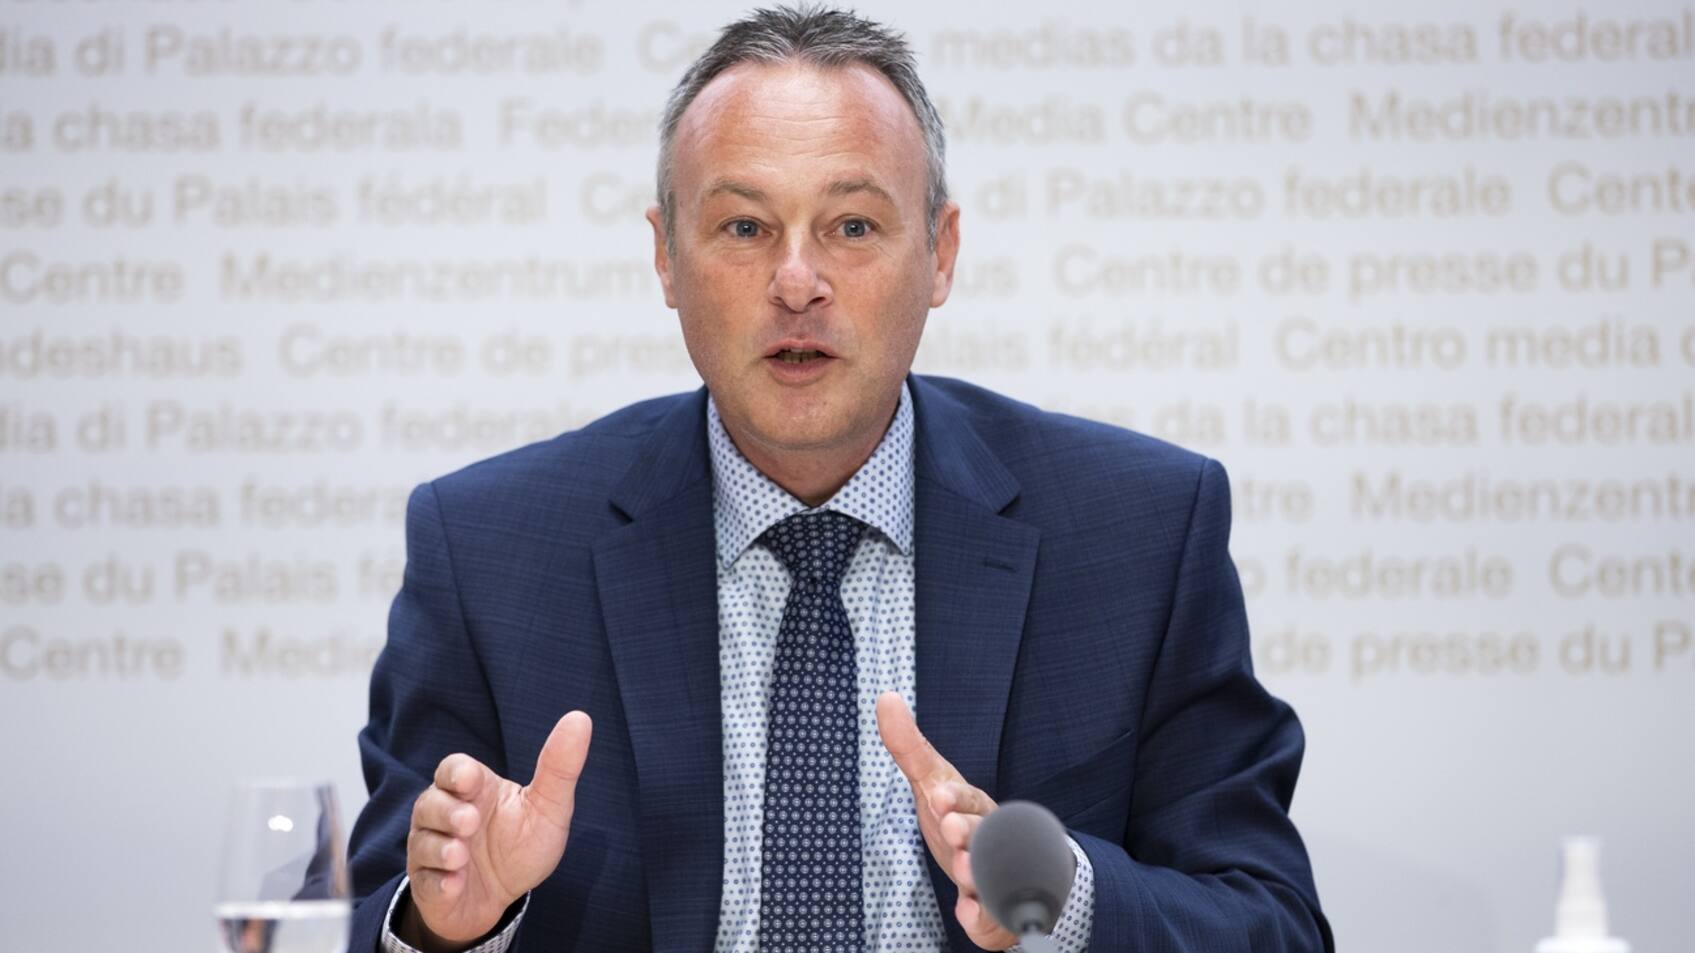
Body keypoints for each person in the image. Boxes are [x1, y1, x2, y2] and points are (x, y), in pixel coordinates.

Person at [347, 6, 1332, 952]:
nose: (797, 282)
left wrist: (1058, 899)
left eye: (853, 226)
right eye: (744, 228)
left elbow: (1271, 923)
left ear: (940, 254)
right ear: (665, 259)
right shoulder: (486, 552)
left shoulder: (1142, 532)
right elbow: (359, 919)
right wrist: (450, 926)